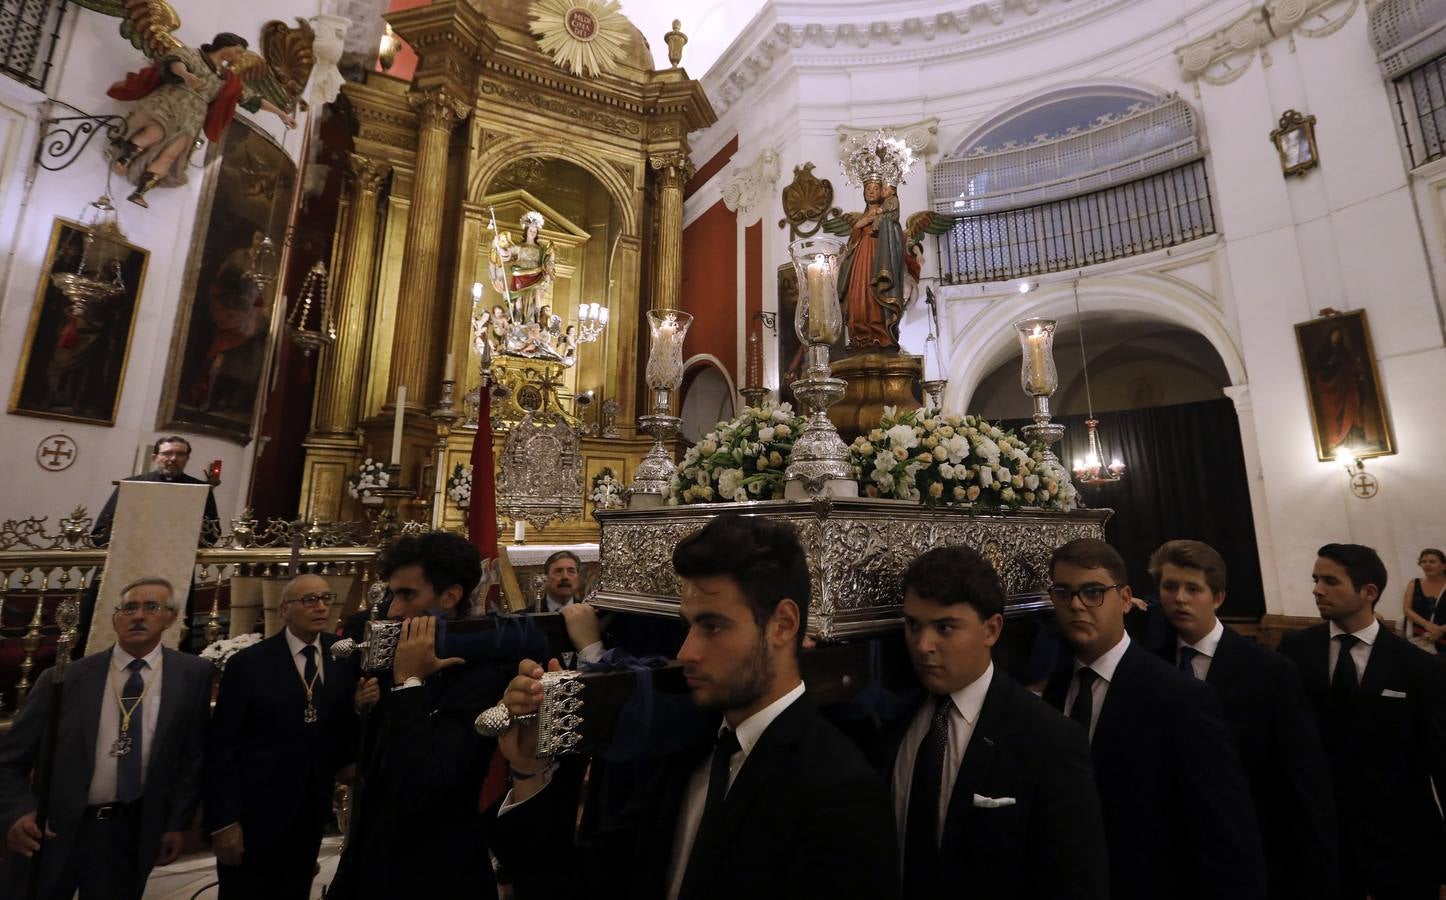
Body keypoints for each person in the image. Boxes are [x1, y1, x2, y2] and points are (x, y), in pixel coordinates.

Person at [492, 513, 898, 900]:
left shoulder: (840, 789)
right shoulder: (692, 754)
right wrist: (529, 771)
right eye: (689, 627)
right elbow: (582, 884)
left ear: (783, 624)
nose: (686, 652)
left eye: (713, 627)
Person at [1041, 538, 1266, 900]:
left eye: (1094, 591)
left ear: (1126, 598)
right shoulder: (1056, 686)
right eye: (1063, 592)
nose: (1077, 605)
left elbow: (1224, 836)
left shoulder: (1180, 697)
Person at [328, 531, 545, 899]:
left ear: (450, 597)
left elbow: (425, 786)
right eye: (393, 593)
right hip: (370, 864)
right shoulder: (391, 656)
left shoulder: (482, 675)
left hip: (437, 873)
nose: (394, 610)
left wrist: (409, 682)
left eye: (408, 595)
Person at [889, 546, 1107, 900]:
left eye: (945, 627)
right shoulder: (895, 720)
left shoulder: (1048, 739)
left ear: (991, 630)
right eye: (913, 625)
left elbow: (1076, 881)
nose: (923, 645)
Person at [0, 577, 214, 899]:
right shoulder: (66, 678)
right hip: (54, 829)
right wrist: (17, 812)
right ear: (115, 618)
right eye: (129, 607)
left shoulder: (192, 676)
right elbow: (8, 762)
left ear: (171, 617)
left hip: (128, 832)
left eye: (152, 607)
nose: (138, 616)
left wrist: (174, 822)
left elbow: (190, 757)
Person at [1148, 540, 1337, 900]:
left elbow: (1302, 776)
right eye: (1169, 587)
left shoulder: (1268, 671)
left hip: (1250, 849)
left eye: (1193, 589)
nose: (1180, 598)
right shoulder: (1149, 663)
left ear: (1217, 597)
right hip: (1171, 856)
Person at [1277, 543, 1446, 900]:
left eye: (1330, 581)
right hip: (1321, 837)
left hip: (1399, 841)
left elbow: (1438, 758)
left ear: (1368, 592)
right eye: (1315, 579)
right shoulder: (1294, 651)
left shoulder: (1418, 667)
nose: (1316, 589)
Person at [204, 574, 360, 899]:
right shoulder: (249, 664)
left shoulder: (341, 656)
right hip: (253, 813)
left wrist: (361, 708)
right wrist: (224, 822)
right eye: (309, 600)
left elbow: (340, 726)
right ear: (285, 609)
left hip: (310, 810)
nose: (320, 607)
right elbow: (222, 747)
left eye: (325, 599)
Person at [105, 32, 295, 207]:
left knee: (171, 154)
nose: (237, 57)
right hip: (171, 101)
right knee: (155, 132)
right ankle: (124, 159)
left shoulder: (228, 79)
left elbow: (252, 99)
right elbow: (176, 62)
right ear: (225, 46)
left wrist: (281, 114)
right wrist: (186, 75)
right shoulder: (194, 55)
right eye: (237, 51)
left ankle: (140, 192)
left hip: (194, 116)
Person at [92, 435, 219, 547]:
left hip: (178, 562)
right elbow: (101, 530)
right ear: (155, 457)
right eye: (167, 453)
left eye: (180, 454)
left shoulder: (201, 489)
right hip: (129, 557)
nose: (173, 458)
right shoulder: (131, 485)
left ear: (187, 459)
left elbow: (212, 532)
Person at [836, 178, 906, 350]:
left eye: (875, 188)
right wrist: (860, 225)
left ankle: (879, 332)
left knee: (875, 290)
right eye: (867, 189)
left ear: (882, 192)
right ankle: (859, 333)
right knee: (858, 292)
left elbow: (895, 236)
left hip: (879, 255)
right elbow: (851, 243)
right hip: (860, 258)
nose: (871, 191)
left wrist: (877, 222)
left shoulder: (887, 214)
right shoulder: (861, 217)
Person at [537, 550, 604, 665]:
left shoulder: (591, 615)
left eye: (571, 571)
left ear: (578, 578)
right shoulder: (529, 616)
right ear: (546, 578)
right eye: (558, 572)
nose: (565, 577)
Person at [1400, 547, 1446, 653]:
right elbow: (1407, 609)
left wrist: (1440, 631)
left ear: (1444, 566)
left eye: (1432, 561)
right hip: (1418, 640)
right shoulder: (1414, 583)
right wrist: (1427, 625)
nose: (1427, 564)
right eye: (1423, 562)